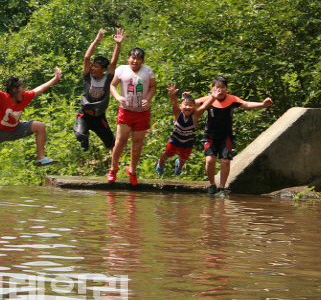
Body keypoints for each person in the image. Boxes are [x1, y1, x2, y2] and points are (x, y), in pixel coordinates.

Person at [0, 63, 62, 176]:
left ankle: (41, 157)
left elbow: (41, 88)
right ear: (14, 90)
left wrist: (55, 78)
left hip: (16, 130)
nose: (25, 91)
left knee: (40, 125)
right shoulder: (3, 97)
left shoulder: (24, 97)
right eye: (22, 88)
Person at [196, 75, 273, 194]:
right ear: (212, 89)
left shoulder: (231, 99)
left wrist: (262, 104)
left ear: (226, 89)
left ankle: (222, 188)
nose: (220, 90)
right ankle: (212, 184)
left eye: (222, 88)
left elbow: (246, 104)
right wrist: (184, 98)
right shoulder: (209, 99)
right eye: (217, 88)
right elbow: (191, 103)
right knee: (210, 160)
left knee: (225, 161)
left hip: (226, 136)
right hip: (210, 136)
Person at [107, 47, 157, 185]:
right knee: (120, 140)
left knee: (137, 143)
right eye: (133, 58)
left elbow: (153, 87)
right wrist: (117, 96)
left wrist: (148, 98)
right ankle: (113, 168)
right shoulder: (122, 69)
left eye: (138, 58)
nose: (135, 61)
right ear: (128, 58)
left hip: (142, 112)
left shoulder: (147, 70)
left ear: (142, 60)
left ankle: (132, 170)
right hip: (126, 110)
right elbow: (112, 85)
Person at [74, 28, 125, 151]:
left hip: (99, 116)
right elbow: (86, 58)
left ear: (103, 69)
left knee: (111, 144)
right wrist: (97, 40)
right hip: (85, 114)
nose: (92, 68)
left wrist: (118, 44)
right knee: (80, 134)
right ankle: (84, 138)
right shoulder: (88, 77)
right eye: (92, 65)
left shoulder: (107, 78)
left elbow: (113, 63)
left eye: (96, 66)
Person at [155, 84, 219, 177]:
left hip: (188, 142)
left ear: (194, 107)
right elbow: (174, 103)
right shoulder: (178, 114)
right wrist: (172, 94)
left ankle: (179, 165)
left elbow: (204, 106)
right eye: (185, 105)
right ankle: (160, 163)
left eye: (190, 105)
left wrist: (213, 97)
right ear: (181, 106)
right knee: (167, 155)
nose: (188, 107)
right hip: (175, 140)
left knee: (183, 159)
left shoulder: (195, 115)